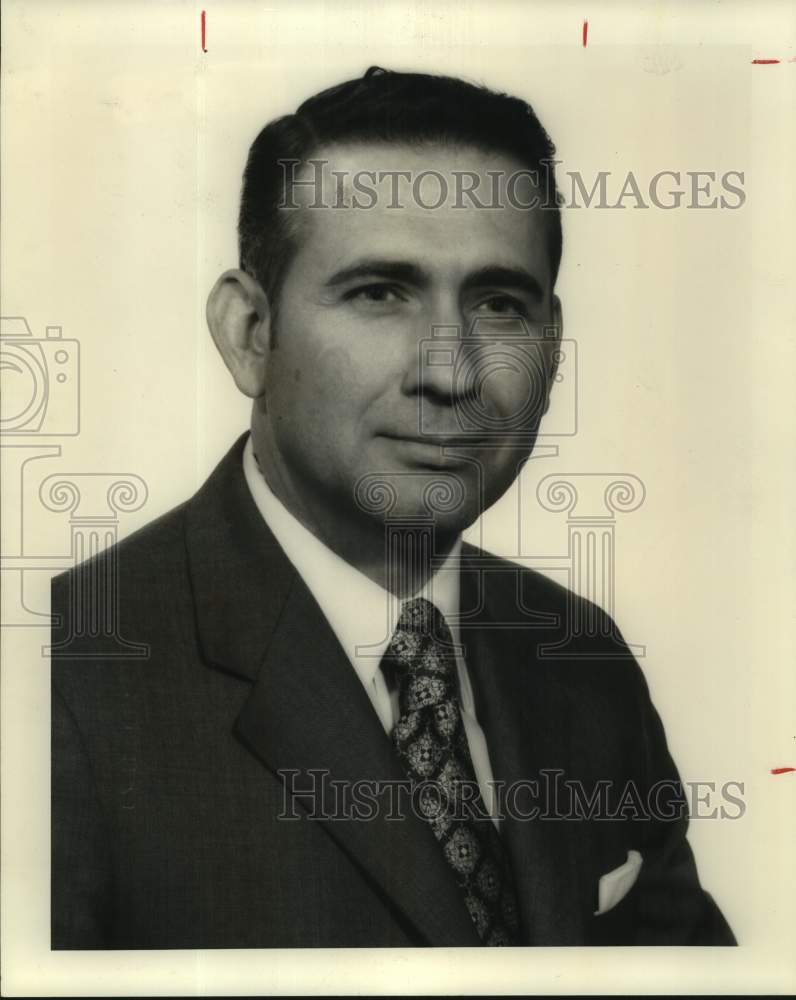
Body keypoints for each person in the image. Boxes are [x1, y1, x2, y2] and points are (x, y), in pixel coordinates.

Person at [51, 67, 735, 948]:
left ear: (553, 348)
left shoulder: (583, 657)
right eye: (379, 293)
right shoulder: (61, 682)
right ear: (250, 334)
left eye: (497, 303)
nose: (450, 372)